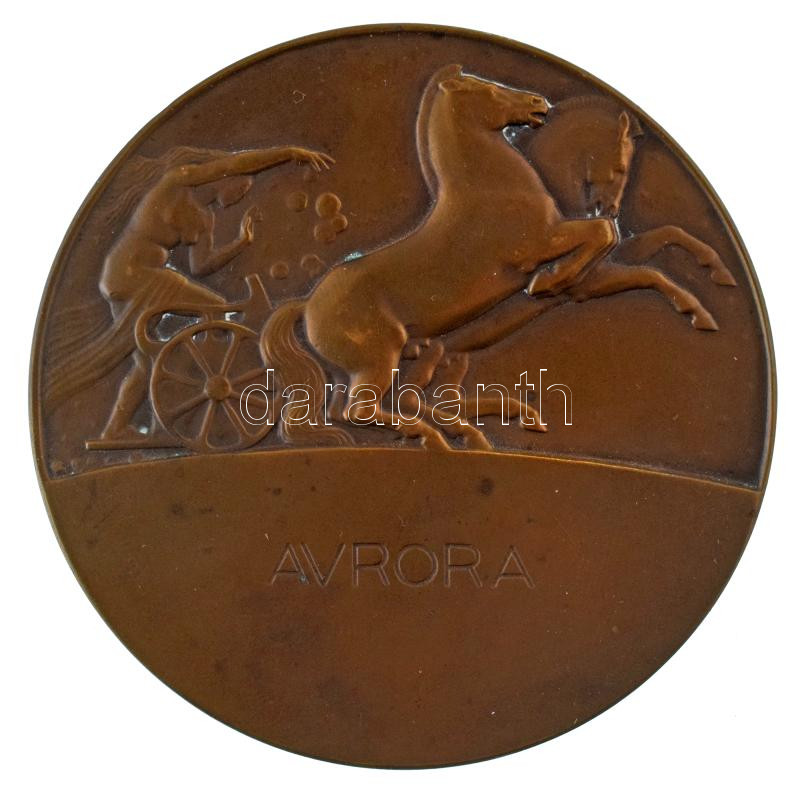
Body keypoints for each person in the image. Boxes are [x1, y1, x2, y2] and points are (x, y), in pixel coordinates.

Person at [45, 144, 333, 440]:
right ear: (227, 179)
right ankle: (203, 368)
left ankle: (115, 428)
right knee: (215, 304)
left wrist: (242, 241)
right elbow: (235, 163)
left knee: (145, 361)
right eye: (242, 187)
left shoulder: (204, 218)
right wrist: (287, 153)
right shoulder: (178, 181)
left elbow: (201, 266)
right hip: (131, 273)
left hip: (140, 278)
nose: (241, 195)